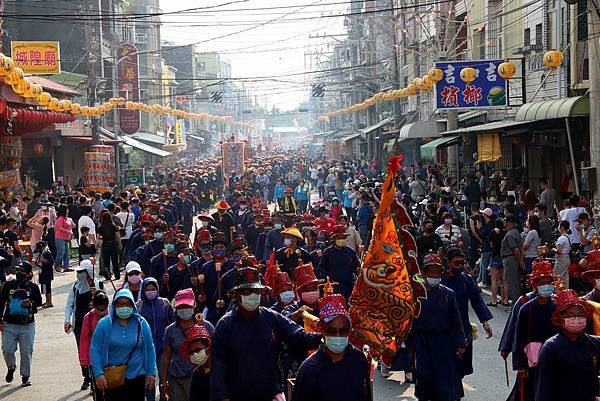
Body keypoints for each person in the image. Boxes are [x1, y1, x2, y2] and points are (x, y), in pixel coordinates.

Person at [210, 267, 322, 401]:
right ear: (237, 295)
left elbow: (298, 335)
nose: (253, 295)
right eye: (247, 291)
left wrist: (325, 337)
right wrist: (222, 397)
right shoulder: (225, 325)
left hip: (270, 393)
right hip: (238, 395)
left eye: (256, 291)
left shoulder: (271, 317)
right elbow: (218, 365)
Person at [293, 293, 371, 401]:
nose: (338, 336)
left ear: (349, 330)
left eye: (343, 330)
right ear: (322, 331)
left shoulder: (359, 360)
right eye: (331, 330)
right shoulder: (309, 369)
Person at [412, 254, 466, 401]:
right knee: (425, 375)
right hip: (423, 342)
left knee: (446, 377)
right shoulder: (416, 295)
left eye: (438, 271)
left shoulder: (448, 294)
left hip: (444, 342)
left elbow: (456, 320)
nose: (435, 275)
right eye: (431, 271)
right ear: (424, 273)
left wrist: (461, 343)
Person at [90, 289, 157, 401]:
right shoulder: (105, 324)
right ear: (114, 305)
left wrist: (151, 372)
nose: (124, 307)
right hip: (113, 377)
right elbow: (95, 349)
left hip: (137, 376)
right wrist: (98, 373)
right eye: (120, 303)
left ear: (133, 305)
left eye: (127, 303)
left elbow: (150, 348)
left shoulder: (141, 323)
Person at [441, 247, 493, 390]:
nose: (460, 265)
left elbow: (477, 301)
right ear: (448, 263)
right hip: (443, 329)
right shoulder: (440, 280)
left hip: (463, 329)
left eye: (462, 262)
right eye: (456, 263)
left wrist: (485, 322)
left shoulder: (467, 280)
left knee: (461, 365)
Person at [535, 289, 600, 401]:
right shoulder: (551, 348)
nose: (576, 318)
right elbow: (543, 388)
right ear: (561, 319)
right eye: (570, 315)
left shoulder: (594, 343)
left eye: (580, 314)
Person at [508, 260, 557, 401]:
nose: (546, 286)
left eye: (549, 282)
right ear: (535, 285)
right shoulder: (526, 308)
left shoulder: (557, 307)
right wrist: (520, 365)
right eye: (542, 283)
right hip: (531, 359)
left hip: (551, 357)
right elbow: (519, 338)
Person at [162, 289, 213, 401]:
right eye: (181, 307)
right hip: (177, 379)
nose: (184, 310)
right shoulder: (170, 331)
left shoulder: (207, 326)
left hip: (202, 378)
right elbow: (166, 357)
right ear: (176, 308)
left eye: (187, 306)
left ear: (194, 306)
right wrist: (164, 382)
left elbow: (215, 351)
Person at [0, 261, 42, 387]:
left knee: (26, 351)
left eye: (22, 271)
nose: (19, 273)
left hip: (27, 325)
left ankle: (25, 376)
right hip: (9, 324)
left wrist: (31, 304)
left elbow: (39, 302)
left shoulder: (33, 287)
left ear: (29, 274)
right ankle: (11, 367)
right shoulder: (8, 285)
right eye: (17, 271)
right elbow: (1, 302)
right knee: (7, 350)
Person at [65, 259, 104, 390]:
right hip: (80, 325)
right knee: (83, 350)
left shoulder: (99, 285)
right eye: (79, 272)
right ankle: (86, 377)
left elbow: (106, 303)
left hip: (97, 325)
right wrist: (67, 321)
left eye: (82, 272)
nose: (80, 275)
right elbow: (69, 304)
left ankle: (96, 376)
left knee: (96, 350)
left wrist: (97, 294)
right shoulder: (75, 287)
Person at [136, 277, 174, 401]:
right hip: (145, 349)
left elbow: (173, 322)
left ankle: (164, 398)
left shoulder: (165, 303)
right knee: (149, 378)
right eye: (148, 289)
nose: (151, 291)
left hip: (163, 348)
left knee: (164, 377)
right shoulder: (139, 305)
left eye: (153, 289)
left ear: (157, 289)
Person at [79, 291, 110, 400]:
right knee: (98, 390)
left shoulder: (112, 315)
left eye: (104, 309)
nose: (101, 312)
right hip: (94, 359)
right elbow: (84, 340)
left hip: (111, 358)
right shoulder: (89, 317)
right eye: (99, 309)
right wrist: (84, 360)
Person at [318, 225, 360, 300]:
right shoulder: (328, 252)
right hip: (333, 286)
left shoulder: (350, 252)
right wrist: (326, 282)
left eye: (343, 238)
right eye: (339, 238)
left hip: (348, 286)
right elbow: (322, 268)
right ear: (334, 239)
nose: (341, 240)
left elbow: (356, 268)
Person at [184, 324, 212, 400]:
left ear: (208, 347)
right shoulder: (196, 374)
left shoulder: (222, 370)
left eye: (198, 350)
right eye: (191, 352)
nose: (195, 355)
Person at [501, 214, 524, 303]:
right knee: (514, 282)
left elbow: (516, 250)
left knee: (512, 283)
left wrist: (520, 261)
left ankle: (516, 304)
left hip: (511, 259)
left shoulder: (511, 234)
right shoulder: (515, 232)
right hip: (512, 259)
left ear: (509, 222)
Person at [97, 211, 122, 280]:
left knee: (106, 261)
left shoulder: (101, 227)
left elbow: (98, 237)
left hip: (105, 244)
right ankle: (117, 275)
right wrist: (120, 244)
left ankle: (107, 276)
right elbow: (118, 236)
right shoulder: (113, 226)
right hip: (113, 244)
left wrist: (102, 239)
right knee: (115, 261)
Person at [489, 219, 508, 306]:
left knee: (494, 280)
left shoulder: (493, 232)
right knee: (504, 280)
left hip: (495, 256)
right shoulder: (506, 233)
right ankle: (505, 300)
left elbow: (491, 245)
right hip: (504, 256)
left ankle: (494, 301)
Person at [33, 240, 54, 308]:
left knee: (48, 288)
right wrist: (37, 261)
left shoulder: (47, 252)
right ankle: (47, 301)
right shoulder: (42, 253)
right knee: (44, 288)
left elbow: (51, 262)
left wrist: (43, 260)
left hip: (47, 273)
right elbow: (38, 261)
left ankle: (49, 302)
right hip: (42, 273)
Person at [55, 204, 74, 273]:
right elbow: (60, 228)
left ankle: (66, 267)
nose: (68, 210)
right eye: (67, 209)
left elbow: (71, 226)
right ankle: (56, 265)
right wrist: (69, 232)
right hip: (60, 238)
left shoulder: (67, 218)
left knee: (66, 253)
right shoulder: (60, 218)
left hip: (66, 238)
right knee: (61, 252)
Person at [553, 220, 572, 289]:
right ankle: (565, 294)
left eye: (559, 226)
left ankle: (557, 293)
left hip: (561, 259)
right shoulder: (569, 237)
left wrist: (553, 249)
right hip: (566, 258)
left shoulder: (562, 238)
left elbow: (559, 251)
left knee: (556, 277)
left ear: (562, 227)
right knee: (565, 279)